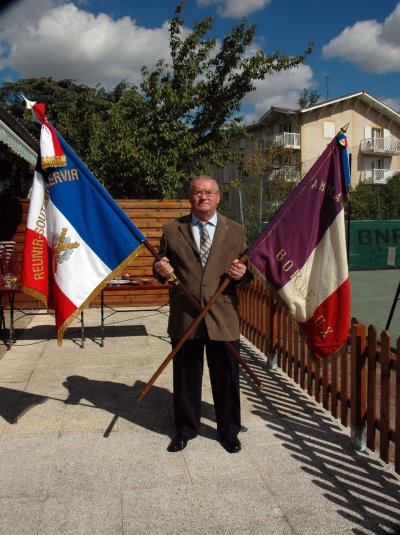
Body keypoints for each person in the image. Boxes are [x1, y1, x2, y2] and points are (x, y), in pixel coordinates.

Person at [153, 176, 252, 453]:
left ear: (218, 197)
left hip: (223, 316)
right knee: (186, 377)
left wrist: (243, 274)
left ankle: (229, 431)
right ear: (190, 198)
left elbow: (248, 270)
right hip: (186, 316)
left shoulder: (236, 230)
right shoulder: (173, 229)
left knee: (227, 378)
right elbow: (161, 264)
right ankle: (185, 429)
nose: (203, 197)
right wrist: (159, 269)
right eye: (198, 193)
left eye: (209, 192)